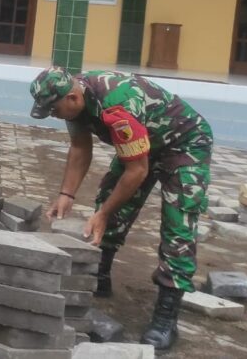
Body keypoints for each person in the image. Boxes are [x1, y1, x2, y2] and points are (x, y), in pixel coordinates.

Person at [30, 66, 213, 351]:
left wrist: (102, 215)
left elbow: (137, 171)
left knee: (178, 224)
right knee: (109, 198)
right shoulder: (73, 98)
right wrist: (67, 194)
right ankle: (98, 277)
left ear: (72, 99)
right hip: (143, 144)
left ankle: (166, 316)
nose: (54, 116)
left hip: (184, 144)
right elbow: (80, 147)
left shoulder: (117, 105)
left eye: (54, 111)